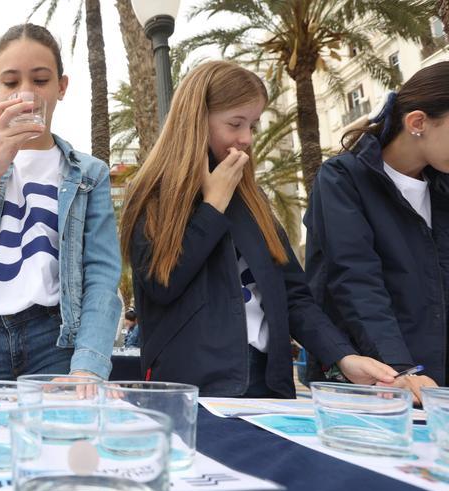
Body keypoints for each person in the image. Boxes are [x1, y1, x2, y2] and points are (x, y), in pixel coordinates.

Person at [119, 60, 397, 398]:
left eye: (253, 125)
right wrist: (212, 206)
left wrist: (344, 355)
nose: (246, 139)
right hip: (192, 388)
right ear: (196, 120)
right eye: (235, 123)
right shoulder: (151, 193)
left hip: (269, 383)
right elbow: (160, 285)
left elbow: (294, 295)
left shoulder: (253, 198)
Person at [0, 23, 121, 380]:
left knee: (58, 436)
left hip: (56, 338)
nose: (27, 93)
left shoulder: (91, 173)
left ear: (62, 87)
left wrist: (89, 365)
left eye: (41, 80)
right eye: (12, 82)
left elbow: (102, 274)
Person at [305, 62, 449, 402]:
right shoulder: (342, 180)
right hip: (374, 387)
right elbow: (356, 282)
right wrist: (401, 370)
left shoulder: (442, 190)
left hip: (437, 391)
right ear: (418, 123)